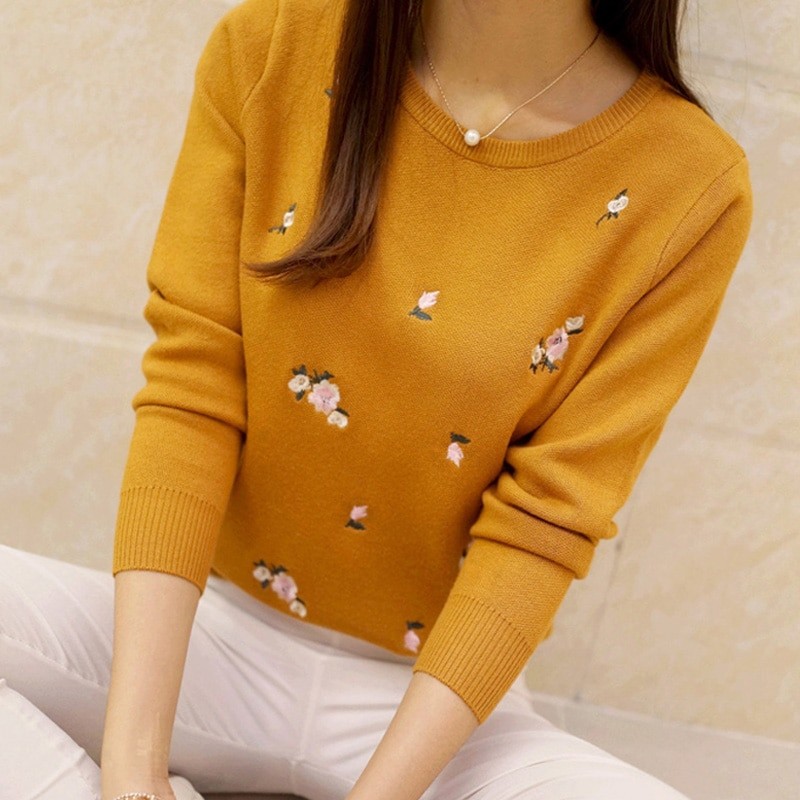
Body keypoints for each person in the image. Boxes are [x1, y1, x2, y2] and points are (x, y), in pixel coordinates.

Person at [0, 0, 753, 798]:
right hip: (211, 644)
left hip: (433, 717)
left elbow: (546, 524)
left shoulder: (690, 184)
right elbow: (194, 390)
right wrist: (133, 773)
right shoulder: (275, 44)